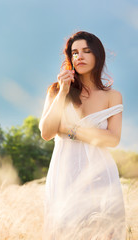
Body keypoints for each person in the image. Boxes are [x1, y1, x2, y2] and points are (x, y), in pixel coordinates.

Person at [39, 31, 126, 240]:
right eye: (75, 52)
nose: (80, 56)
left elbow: (112, 139)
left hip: (100, 175)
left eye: (86, 51)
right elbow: (47, 132)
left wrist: (70, 129)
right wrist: (63, 92)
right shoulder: (57, 90)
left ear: (98, 55)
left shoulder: (112, 96)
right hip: (65, 175)